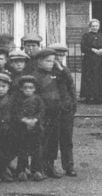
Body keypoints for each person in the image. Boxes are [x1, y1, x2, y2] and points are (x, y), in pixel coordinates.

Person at [32, 49, 63, 178]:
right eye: (48, 61)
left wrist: (60, 68)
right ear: (40, 61)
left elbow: (65, 82)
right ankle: (38, 168)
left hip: (55, 111)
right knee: (41, 141)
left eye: (52, 61)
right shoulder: (35, 76)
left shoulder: (55, 74)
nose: (51, 63)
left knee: (53, 140)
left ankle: (50, 165)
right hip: (43, 113)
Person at [48, 43, 78, 177]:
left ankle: (69, 165)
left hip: (66, 108)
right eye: (57, 56)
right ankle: (49, 165)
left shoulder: (65, 71)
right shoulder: (48, 71)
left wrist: (73, 105)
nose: (59, 58)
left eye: (61, 55)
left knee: (66, 139)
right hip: (52, 109)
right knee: (51, 139)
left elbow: (71, 88)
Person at [12, 75, 45, 182]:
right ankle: (21, 170)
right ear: (21, 89)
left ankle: (36, 170)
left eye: (31, 88)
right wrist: (24, 120)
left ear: (34, 89)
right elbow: (15, 112)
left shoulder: (38, 99)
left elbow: (42, 111)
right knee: (23, 149)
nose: (28, 90)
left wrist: (35, 119)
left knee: (37, 150)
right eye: (25, 88)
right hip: (22, 127)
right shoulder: (18, 99)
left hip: (35, 128)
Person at [80, 19, 102, 104]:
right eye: (93, 26)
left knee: (99, 77)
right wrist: (92, 50)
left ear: (99, 27)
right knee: (89, 78)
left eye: (96, 26)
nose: (94, 28)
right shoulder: (86, 36)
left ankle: (98, 97)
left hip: (100, 60)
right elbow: (83, 48)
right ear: (90, 27)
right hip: (89, 60)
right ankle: (89, 97)